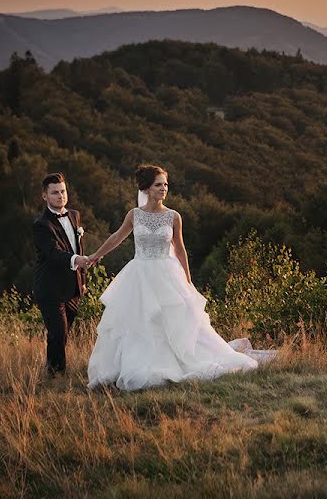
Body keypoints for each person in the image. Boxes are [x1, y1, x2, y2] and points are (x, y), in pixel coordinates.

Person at [85, 164, 274, 391]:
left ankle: (179, 362)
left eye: (165, 184)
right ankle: (138, 365)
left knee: (175, 321)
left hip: (167, 275)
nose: (164, 189)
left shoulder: (173, 216)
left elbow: (180, 249)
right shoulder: (134, 215)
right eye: (158, 185)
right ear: (146, 188)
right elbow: (116, 237)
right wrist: (96, 255)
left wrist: (187, 280)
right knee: (140, 323)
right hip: (140, 275)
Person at [32, 173, 89, 376]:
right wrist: (77, 260)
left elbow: (78, 247)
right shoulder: (41, 225)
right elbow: (53, 253)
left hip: (72, 287)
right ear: (44, 196)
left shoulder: (74, 215)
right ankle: (56, 375)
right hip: (49, 288)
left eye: (63, 191)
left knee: (63, 334)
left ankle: (52, 369)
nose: (60, 196)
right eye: (55, 192)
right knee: (58, 332)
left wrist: (81, 280)